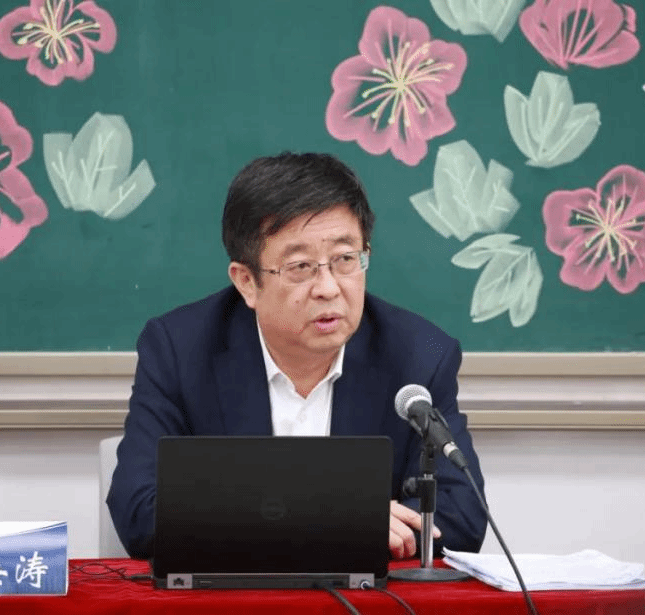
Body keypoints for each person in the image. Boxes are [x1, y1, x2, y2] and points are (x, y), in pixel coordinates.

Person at [107, 152, 487, 560]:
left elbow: (462, 516)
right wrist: (338, 522)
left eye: (345, 260)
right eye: (301, 266)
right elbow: (138, 509)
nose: (328, 288)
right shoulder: (180, 350)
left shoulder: (418, 354)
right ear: (247, 281)